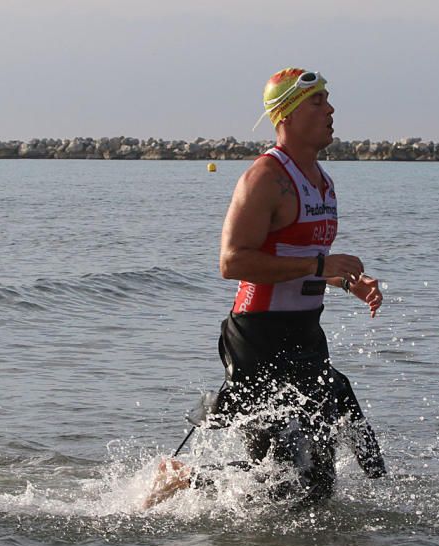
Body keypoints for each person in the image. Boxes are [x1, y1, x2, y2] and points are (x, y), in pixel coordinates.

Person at [144, 68, 386, 509]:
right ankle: (182, 476)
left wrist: (344, 280)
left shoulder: (322, 182)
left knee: (327, 475)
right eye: (318, 102)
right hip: (259, 337)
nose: (330, 110)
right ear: (287, 114)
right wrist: (320, 263)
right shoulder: (266, 178)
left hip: (305, 335)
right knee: (285, 485)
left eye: (328, 100)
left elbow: (298, 265)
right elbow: (232, 261)